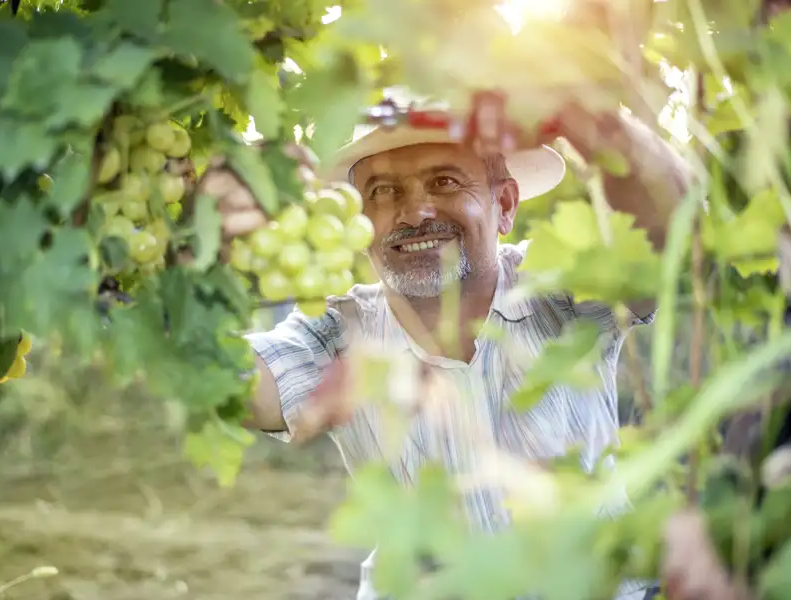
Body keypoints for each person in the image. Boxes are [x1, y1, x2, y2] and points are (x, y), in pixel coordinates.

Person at [216, 102, 691, 600]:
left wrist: (585, 111)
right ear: (357, 221)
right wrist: (197, 255)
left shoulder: (563, 284)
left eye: (444, 182)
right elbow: (231, 385)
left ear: (504, 204)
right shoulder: (336, 332)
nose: (414, 212)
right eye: (383, 191)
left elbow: (673, 228)